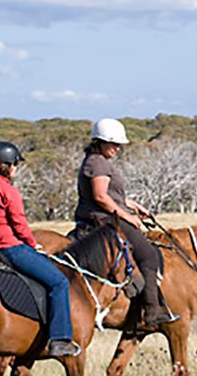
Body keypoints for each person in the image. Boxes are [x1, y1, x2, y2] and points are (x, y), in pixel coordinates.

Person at [0, 141, 79, 357]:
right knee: (59, 282)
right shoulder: (8, 191)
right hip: (9, 248)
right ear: (7, 166)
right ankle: (60, 339)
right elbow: (19, 224)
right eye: (16, 164)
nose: (16, 168)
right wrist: (31, 244)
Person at [75, 119, 179, 327]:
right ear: (100, 142)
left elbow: (112, 195)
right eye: (113, 143)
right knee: (148, 255)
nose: (118, 148)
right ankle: (152, 311)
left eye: (119, 144)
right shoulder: (98, 163)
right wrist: (127, 217)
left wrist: (132, 205)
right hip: (104, 221)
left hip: (108, 216)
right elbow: (101, 197)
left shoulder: (97, 160)